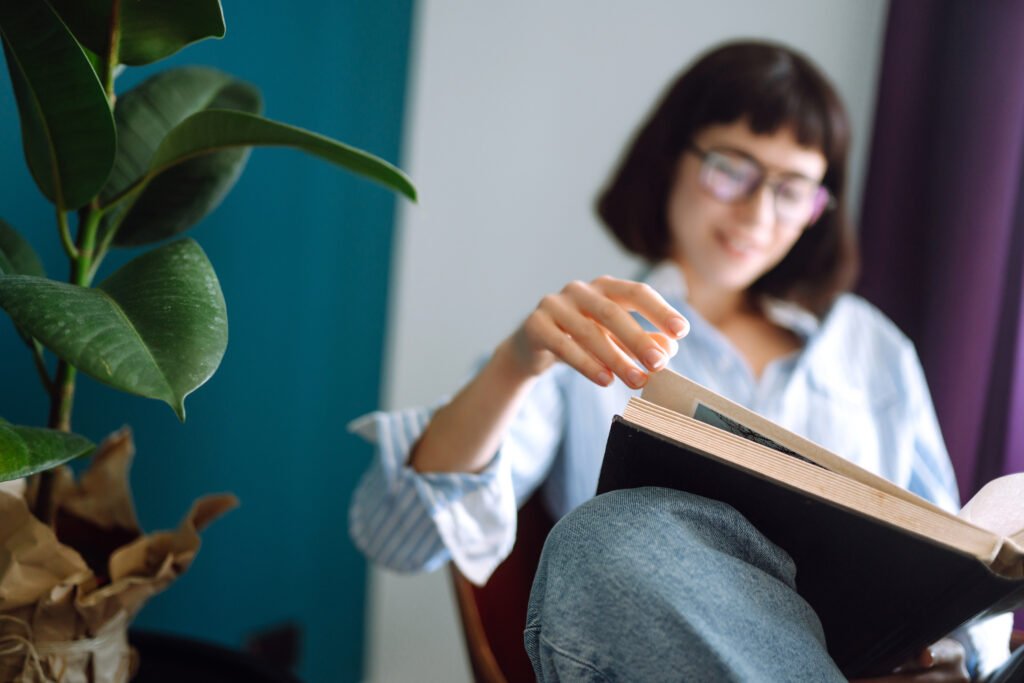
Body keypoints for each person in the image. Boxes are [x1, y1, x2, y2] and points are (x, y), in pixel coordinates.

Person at [348, 41, 1013, 681]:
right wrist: (517, 361)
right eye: (733, 168)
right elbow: (402, 535)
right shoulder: (589, 332)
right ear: (670, 158)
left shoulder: (873, 348)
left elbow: (953, 561)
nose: (758, 212)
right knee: (610, 539)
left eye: (792, 190)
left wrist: (955, 656)